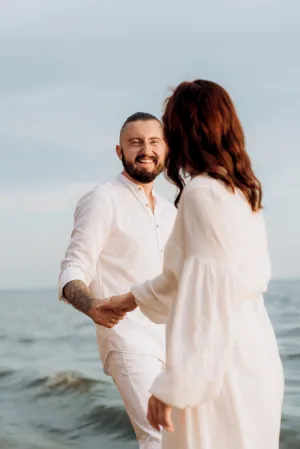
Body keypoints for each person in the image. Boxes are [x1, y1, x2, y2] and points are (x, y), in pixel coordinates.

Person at [103, 81, 284, 449]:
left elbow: (206, 298)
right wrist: (131, 299)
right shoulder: (242, 191)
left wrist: (172, 387)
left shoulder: (202, 194)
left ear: (186, 130)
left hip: (221, 366)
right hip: (256, 353)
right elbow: (183, 276)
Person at [58, 112, 177, 449]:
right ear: (119, 150)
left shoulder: (173, 213)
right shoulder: (102, 199)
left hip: (176, 341)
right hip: (128, 339)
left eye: (154, 141)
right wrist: (90, 304)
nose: (145, 150)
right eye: (135, 142)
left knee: (187, 440)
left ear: (166, 149)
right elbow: (73, 266)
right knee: (158, 438)